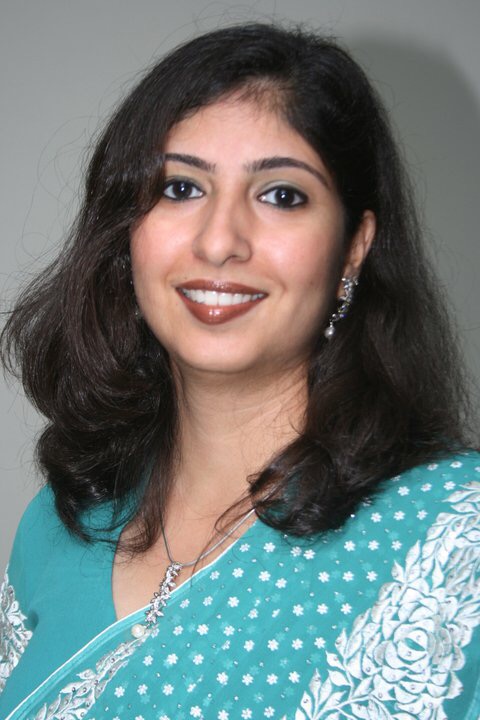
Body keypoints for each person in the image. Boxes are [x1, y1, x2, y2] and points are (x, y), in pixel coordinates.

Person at [0, 21, 479, 720]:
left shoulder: (455, 535)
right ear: (126, 233)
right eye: (180, 188)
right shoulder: (58, 526)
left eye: (281, 195)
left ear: (353, 247)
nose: (220, 241)